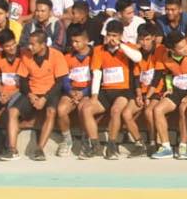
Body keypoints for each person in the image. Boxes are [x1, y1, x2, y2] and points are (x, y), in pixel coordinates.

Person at [82, 19, 142, 160]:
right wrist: (94, 96)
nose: (111, 39)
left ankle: (112, 145)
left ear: (120, 36)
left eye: (114, 36)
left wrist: (120, 45)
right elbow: (97, 73)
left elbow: (137, 58)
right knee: (87, 109)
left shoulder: (127, 47)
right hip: (105, 90)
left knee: (116, 110)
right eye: (109, 35)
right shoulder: (99, 50)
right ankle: (95, 145)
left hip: (123, 90)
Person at [9, 28, 70, 161]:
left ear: (43, 45)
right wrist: (30, 95)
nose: (29, 47)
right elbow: (23, 80)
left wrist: (45, 98)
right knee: (13, 111)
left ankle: (39, 149)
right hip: (32, 92)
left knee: (51, 112)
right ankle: (12, 150)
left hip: (50, 92)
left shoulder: (56, 55)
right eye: (29, 43)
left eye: (33, 44)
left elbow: (59, 83)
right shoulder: (26, 55)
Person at [149, 31, 187, 159]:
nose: (185, 49)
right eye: (180, 48)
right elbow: (168, 74)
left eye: (185, 44)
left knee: (183, 109)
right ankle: (166, 147)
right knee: (157, 110)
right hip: (177, 90)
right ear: (171, 50)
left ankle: (183, 146)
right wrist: (169, 87)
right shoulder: (166, 57)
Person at [120, 25, 161, 157]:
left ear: (153, 38)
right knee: (126, 113)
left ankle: (153, 142)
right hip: (141, 91)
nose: (144, 43)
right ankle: (139, 144)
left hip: (155, 91)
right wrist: (139, 95)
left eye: (147, 39)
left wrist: (147, 96)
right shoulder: (137, 54)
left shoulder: (160, 50)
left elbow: (157, 77)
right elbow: (136, 77)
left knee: (149, 112)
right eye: (141, 40)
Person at [56, 24, 94, 157]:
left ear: (86, 40)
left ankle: (85, 139)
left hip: (88, 91)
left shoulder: (94, 55)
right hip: (72, 91)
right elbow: (65, 78)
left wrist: (84, 93)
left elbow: (97, 79)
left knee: (83, 109)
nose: (74, 44)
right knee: (61, 109)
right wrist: (70, 91)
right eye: (72, 41)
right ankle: (67, 140)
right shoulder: (68, 57)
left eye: (77, 41)